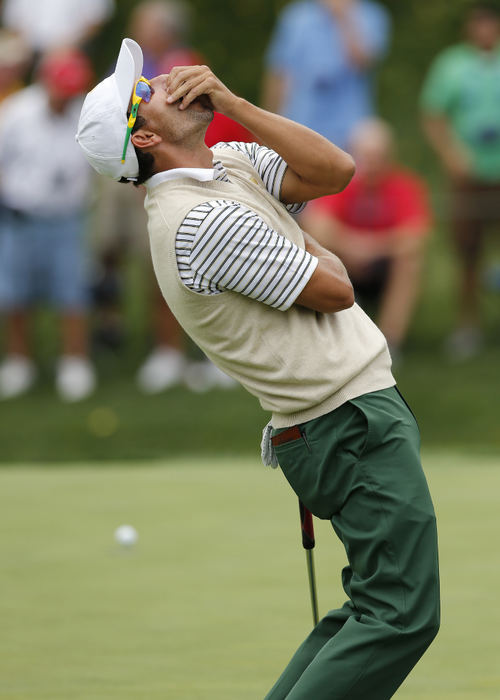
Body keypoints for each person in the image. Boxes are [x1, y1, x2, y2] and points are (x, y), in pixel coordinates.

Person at [76, 38, 440, 699]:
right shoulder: (196, 220)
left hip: (348, 416)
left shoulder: (225, 166)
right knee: (401, 613)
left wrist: (235, 104)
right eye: (146, 91)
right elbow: (338, 289)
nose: (164, 81)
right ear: (148, 136)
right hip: (343, 424)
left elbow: (334, 171)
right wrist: (312, 247)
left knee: (372, 606)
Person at [92, 0, 244, 393]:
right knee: (145, 261)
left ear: (167, 30)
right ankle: (159, 347)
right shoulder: (137, 70)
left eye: (145, 24)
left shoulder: (185, 66)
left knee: (186, 267)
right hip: (144, 176)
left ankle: (203, 354)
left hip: (185, 175)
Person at [0, 49, 96, 401]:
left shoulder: (86, 112)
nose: (65, 97)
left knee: (72, 292)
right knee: (14, 294)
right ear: (45, 81)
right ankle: (19, 362)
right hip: (20, 216)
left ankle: (74, 363)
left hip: (67, 217)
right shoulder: (16, 113)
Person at [302, 118, 431, 359]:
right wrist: (353, 246)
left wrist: (370, 247)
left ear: (389, 155)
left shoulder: (405, 186)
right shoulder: (339, 184)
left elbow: (414, 237)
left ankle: (389, 342)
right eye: (366, 155)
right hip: (343, 262)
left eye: (378, 156)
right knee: (311, 251)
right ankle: (326, 342)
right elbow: (316, 225)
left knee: (410, 261)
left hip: (384, 264)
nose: (372, 163)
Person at [421, 1, 500, 359]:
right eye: (478, 25)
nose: (484, 31)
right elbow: (433, 115)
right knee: (467, 252)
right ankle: (467, 326)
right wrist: (453, 156)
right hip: (468, 176)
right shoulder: (452, 65)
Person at [262, 0, 391, 149]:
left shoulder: (371, 14)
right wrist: (269, 124)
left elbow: (363, 62)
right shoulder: (297, 16)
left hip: (351, 131)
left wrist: (343, 18)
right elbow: (280, 75)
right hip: (300, 123)